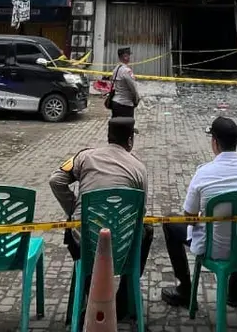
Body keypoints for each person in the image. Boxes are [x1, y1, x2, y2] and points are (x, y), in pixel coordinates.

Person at [49, 116, 153, 321]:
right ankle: (124, 300)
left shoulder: (84, 157)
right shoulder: (138, 167)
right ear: (130, 141)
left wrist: (74, 209)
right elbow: (141, 212)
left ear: (108, 137)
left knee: (76, 235)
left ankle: (89, 293)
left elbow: (56, 180)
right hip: (123, 246)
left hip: (86, 242)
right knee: (147, 231)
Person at [161, 117, 237, 309]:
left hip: (214, 248)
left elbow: (189, 218)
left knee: (169, 224)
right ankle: (233, 288)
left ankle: (185, 289)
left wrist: (203, 217)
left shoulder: (204, 173)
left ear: (214, 142)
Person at [109, 47, 140, 118]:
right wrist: (136, 100)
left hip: (115, 103)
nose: (129, 57)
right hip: (125, 104)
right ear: (125, 56)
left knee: (116, 127)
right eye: (128, 55)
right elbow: (133, 88)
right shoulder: (126, 71)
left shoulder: (116, 69)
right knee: (127, 128)